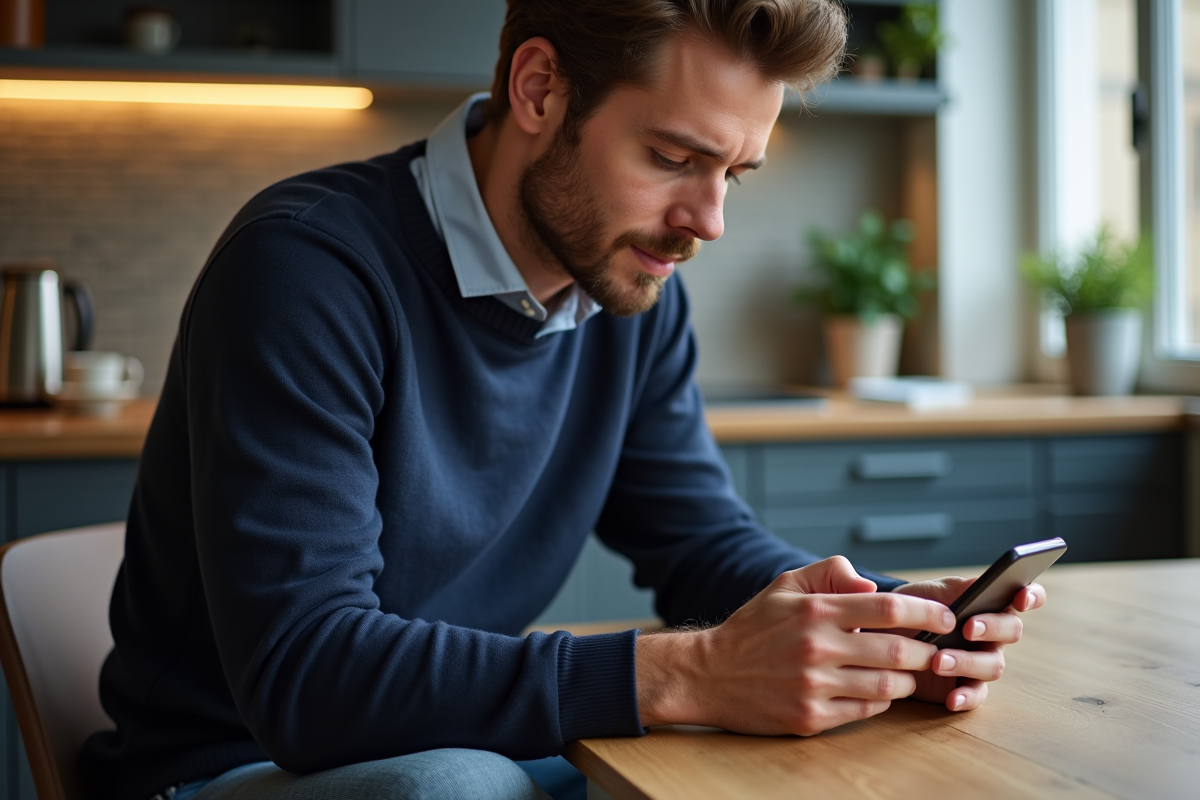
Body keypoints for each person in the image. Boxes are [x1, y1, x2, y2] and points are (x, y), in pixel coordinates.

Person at [81, 2, 1045, 799]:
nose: (706, 222)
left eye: (733, 174)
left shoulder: (630, 291)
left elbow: (701, 542)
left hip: (463, 745)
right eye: (674, 158)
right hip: (233, 769)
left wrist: (873, 623)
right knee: (458, 791)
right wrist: (694, 671)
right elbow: (309, 676)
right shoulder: (306, 271)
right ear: (539, 89)